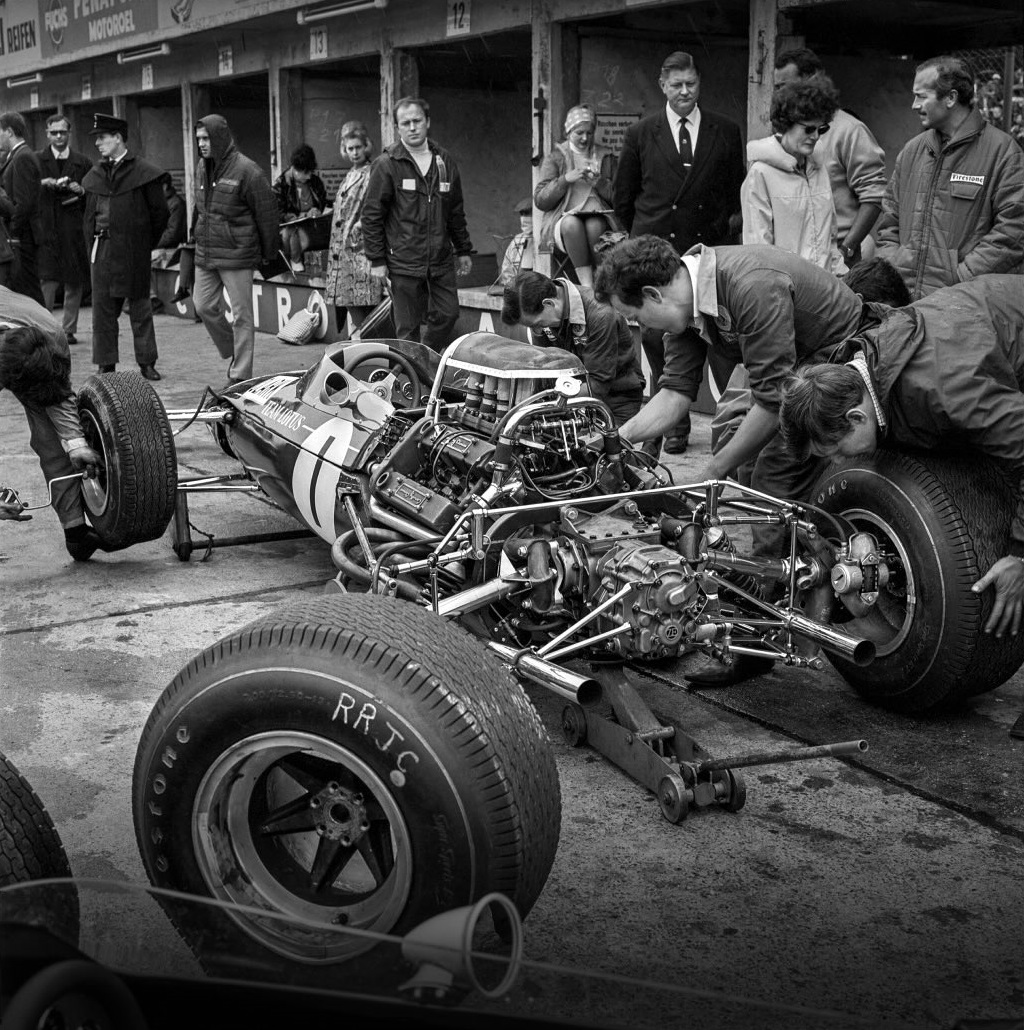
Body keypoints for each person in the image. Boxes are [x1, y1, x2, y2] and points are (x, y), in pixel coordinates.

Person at [778, 274, 1024, 638]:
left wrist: (1020, 555)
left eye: (837, 451)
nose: (838, 464)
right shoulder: (857, 367)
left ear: (856, 418)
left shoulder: (945, 390)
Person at [613, 52, 745, 457]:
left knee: (726, 354)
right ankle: (674, 426)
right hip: (659, 259)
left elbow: (733, 192)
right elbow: (623, 199)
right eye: (677, 85)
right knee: (659, 342)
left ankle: (733, 432)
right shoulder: (641, 133)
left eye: (691, 83)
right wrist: (645, 248)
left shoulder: (724, 129)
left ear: (699, 83)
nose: (685, 91)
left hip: (707, 258)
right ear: (662, 86)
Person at [874, 54, 1024, 300]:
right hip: (905, 304)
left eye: (921, 96)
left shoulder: (1004, 153)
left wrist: (961, 277)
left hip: (964, 309)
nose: (913, 104)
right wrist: (894, 268)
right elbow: (889, 220)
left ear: (951, 98)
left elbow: (1014, 231)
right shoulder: (912, 151)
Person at [362, 96, 473, 353]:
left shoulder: (444, 161)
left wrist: (464, 249)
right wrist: (376, 260)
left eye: (417, 121)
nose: (412, 127)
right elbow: (371, 216)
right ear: (397, 127)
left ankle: (425, 352)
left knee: (448, 313)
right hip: (403, 261)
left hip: (441, 258)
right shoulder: (387, 165)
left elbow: (455, 210)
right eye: (406, 123)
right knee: (408, 326)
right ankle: (410, 380)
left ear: (428, 122)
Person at [0, 285, 103, 560]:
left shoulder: (51, 334)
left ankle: (76, 531)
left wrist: (77, 444)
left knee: (52, 439)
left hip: (25, 345)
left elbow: (58, 393)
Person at [767, 48, 887, 267]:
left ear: (811, 79)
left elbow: (875, 195)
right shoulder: (785, 134)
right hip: (791, 259)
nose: (778, 94)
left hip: (837, 258)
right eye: (776, 88)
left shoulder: (849, 131)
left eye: (783, 86)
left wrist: (847, 249)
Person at [191, 114, 280, 390]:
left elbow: (267, 214)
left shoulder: (247, 170)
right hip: (206, 252)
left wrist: (269, 253)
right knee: (203, 305)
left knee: (242, 314)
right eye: (198, 140)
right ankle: (234, 350)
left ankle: (240, 374)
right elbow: (199, 208)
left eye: (206, 139)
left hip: (237, 253)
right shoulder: (201, 168)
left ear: (218, 137)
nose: (202, 145)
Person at [82, 113, 169, 381]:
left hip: (133, 250)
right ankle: (106, 363)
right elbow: (88, 216)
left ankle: (147, 362)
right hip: (103, 248)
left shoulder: (144, 172)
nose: (98, 143)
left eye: (102, 137)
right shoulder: (96, 175)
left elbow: (160, 215)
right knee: (103, 310)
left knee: (140, 307)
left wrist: (144, 244)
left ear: (118, 138)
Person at [501, 269, 644, 427]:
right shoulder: (541, 314)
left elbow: (598, 385)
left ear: (549, 304)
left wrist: (541, 401)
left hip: (617, 399)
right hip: (571, 398)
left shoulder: (601, 315)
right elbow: (545, 369)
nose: (538, 331)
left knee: (604, 449)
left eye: (538, 324)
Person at [741, 74, 846, 273]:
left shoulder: (819, 169)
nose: (815, 137)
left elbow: (830, 240)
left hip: (825, 290)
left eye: (821, 129)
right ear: (786, 123)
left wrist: (840, 280)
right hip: (787, 292)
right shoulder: (760, 174)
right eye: (808, 130)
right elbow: (759, 253)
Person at [533, 105, 619, 289]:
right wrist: (564, 180)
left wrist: (599, 183)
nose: (585, 138)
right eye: (579, 132)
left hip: (598, 215)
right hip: (563, 221)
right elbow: (540, 200)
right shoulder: (556, 158)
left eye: (589, 132)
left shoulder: (606, 156)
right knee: (572, 224)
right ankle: (587, 286)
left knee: (595, 224)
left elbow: (620, 197)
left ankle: (603, 282)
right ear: (569, 131)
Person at [36, 114, 92, 348]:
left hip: (72, 229)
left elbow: (93, 195)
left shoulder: (83, 162)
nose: (59, 137)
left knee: (74, 280)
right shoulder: (36, 161)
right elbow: (26, 191)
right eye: (54, 132)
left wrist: (81, 190)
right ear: (47, 134)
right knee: (47, 280)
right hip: (47, 227)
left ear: (69, 134)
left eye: (63, 132)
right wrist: (43, 183)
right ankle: (45, 327)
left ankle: (68, 329)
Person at [323, 122, 382, 335]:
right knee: (351, 303)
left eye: (358, 147)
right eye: (350, 148)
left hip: (361, 252)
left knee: (366, 310)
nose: (355, 152)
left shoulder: (372, 171)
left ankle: (370, 350)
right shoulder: (350, 174)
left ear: (366, 146)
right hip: (342, 253)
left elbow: (375, 206)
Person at [0, 111, 45, 305]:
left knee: (29, 293)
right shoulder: (17, 156)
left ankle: (44, 333)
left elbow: (24, 203)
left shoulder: (22, 157)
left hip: (22, 238)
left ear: (9, 132)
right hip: (20, 237)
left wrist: (13, 235)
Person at [273, 143, 329, 274]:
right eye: (305, 173)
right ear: (295, 169)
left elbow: (323, 202)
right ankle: (296, 262)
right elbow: (277, 213)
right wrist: (300, 216)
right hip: (291, 232)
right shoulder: (280, 185)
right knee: (291, 232)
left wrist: (317, 210)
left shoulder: (315, 182)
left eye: (310, 172)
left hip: (314, 228)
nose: (309, 176)